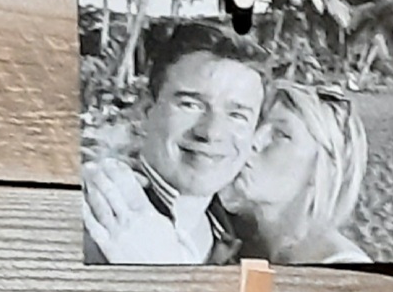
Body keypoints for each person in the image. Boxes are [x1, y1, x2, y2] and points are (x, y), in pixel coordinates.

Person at [80, 21, 265, 263]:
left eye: (237, 115)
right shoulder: (91, 220)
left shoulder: (247, 238)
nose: (211, 132)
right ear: (146, 110)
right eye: (190, 104)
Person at [211, 83, 372, 265]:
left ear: (323, 168)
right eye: (256, 125)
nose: (253, 141)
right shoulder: (222, 232)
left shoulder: (340, 266)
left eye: (280, 134)